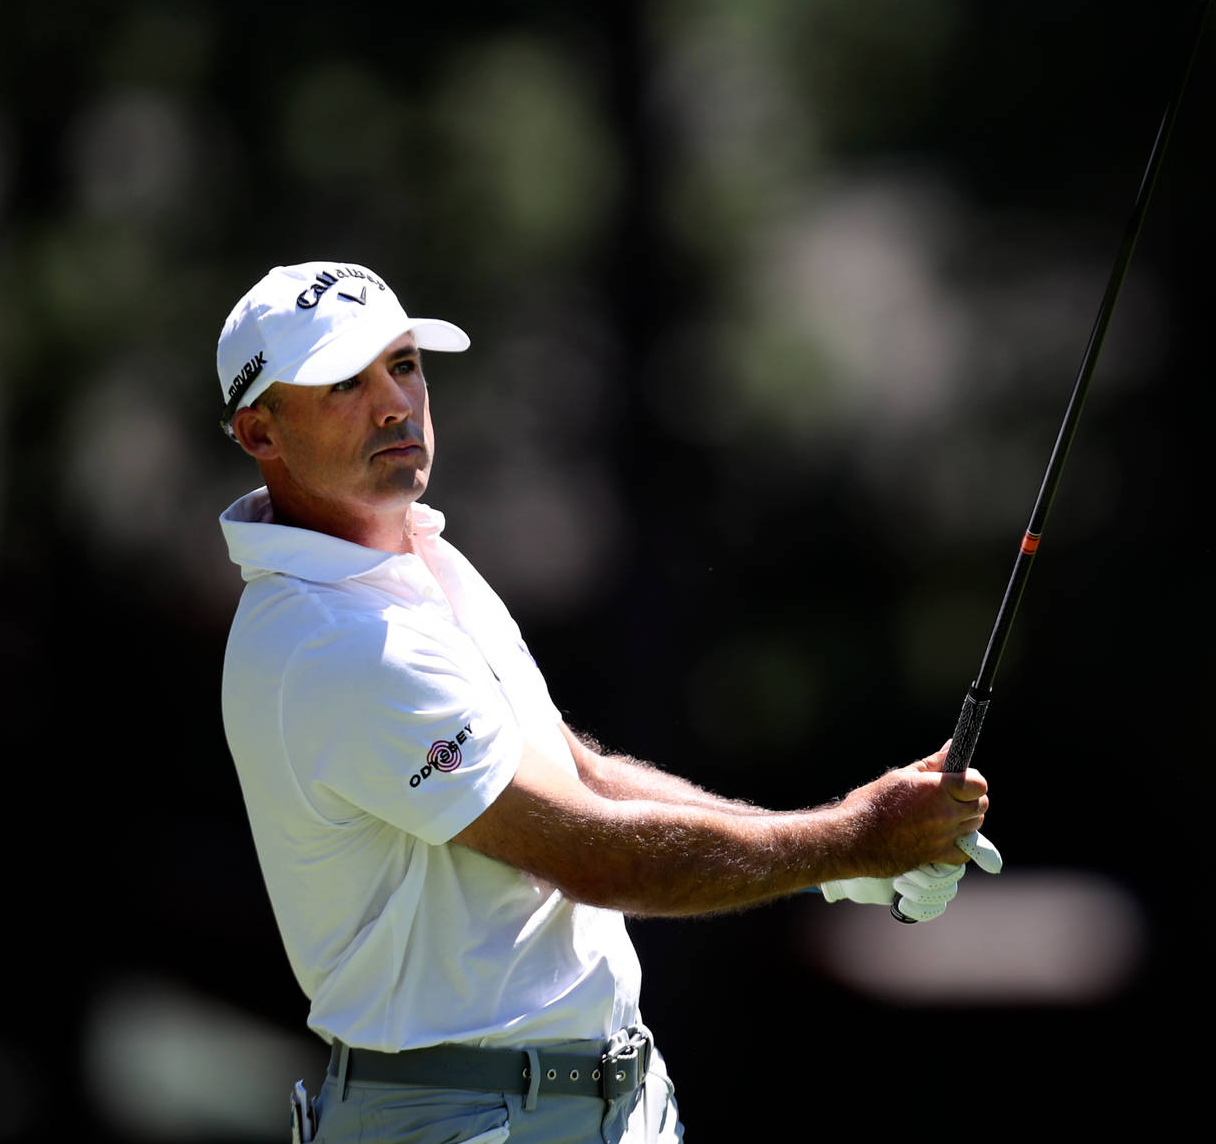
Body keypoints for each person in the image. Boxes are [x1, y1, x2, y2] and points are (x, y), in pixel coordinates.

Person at [214, 261, 1001, 1143]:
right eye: (344, 384)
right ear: (261, 432)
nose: (395, 403)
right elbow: (590, 855)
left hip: (604, 1101)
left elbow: (581, 774)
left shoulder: (418, 564)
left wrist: (840, 857)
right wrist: (846, 841)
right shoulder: (334, 641)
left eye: (404, 365)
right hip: (467, 1116)